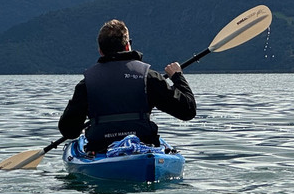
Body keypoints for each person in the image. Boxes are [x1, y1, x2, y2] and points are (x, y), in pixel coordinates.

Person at [59, 19, 196, 151]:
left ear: (100, 50)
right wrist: (177, 76)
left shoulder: (86, 84)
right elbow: (188, 111)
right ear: (127, 46)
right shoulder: (149, 77)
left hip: (100, 149)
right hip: (143, 147)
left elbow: (68, 131)